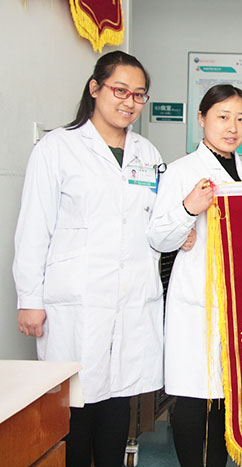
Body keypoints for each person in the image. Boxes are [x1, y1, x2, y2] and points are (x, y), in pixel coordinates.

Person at [13, 51, 163, 466]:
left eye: (139, 94)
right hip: (76, 300)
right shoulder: (57, 148)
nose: (129, 102)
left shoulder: (147, 153)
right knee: (75, 404)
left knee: (118, 401)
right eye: (120, 90)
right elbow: (34, 228)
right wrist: (30, 299)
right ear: (95, 88)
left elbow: (153, 222)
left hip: (130, 298)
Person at [148, 84, 242, 467]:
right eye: (223, 116)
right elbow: (159, 237)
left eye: (241, 119)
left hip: (239, 304)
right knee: (193, 398)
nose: (233, 127)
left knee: (226, 400)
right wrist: (187, 209)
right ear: (201, 118)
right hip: (196, 303)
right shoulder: (181, 171)